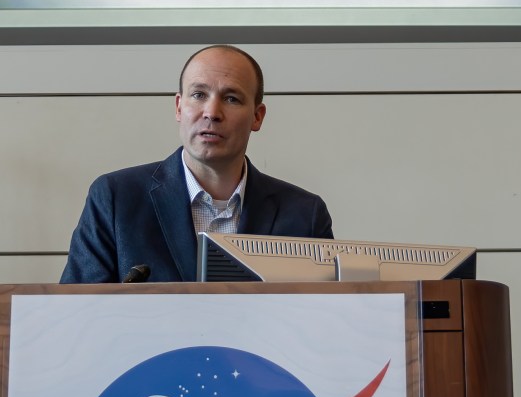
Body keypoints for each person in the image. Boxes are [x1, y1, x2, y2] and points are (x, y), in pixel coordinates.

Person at [60, 44, 333, 284]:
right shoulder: (116, 199)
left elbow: (326, 326)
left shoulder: (304, 215)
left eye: (231, 98)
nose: (212, 113)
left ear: (257, 117)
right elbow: (73, 318)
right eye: (199, 95)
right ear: (179, 107)